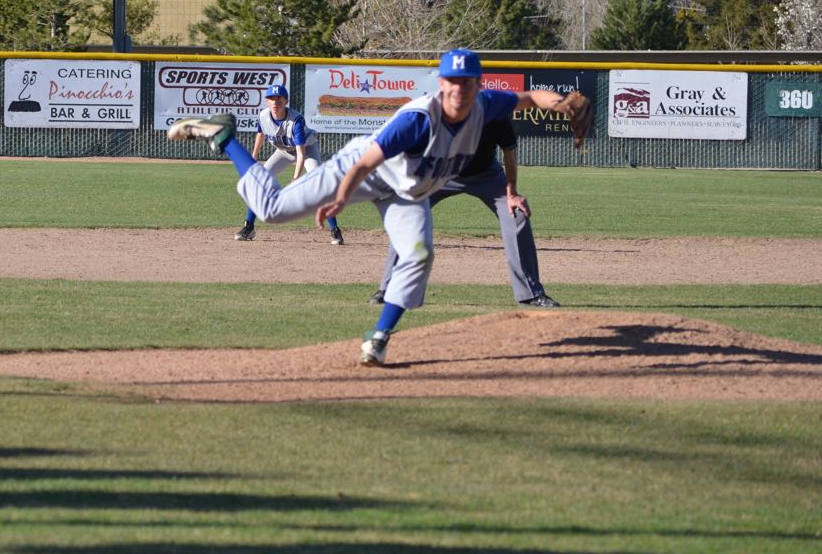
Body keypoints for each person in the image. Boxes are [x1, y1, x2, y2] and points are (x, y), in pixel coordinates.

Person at [167, 48, 588, 367]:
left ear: (478, 85)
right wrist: (340, 197)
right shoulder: (419, 119)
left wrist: (565, 101)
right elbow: (367, 161)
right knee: (273, 209)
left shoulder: (487, 105)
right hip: (363, 171)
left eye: (467, 82)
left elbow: (530, 96)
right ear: (441, 82)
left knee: (419, 254)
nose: (459, 89)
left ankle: (379, 339)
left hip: (408, 192)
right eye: (452, 81)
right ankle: (224, 136)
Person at [368, 117, 560, 308]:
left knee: (517, 216)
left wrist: (512, 193)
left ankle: (530, 294)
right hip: (438, 175)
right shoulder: (435, 112)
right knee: (407, 218)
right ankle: (389, 290)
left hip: (486, 175)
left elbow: (509, 151)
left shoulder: (494, 113)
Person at [235, 83, 344, 245]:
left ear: (286, 101)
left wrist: (296, 178)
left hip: (306, 150)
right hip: (284, 150)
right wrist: (254, 156)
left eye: (279, 99)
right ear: (266, 101)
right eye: (271, 99)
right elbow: (261, 134)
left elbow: (300, 153)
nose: (275, 102)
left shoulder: (295, 120)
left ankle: (335, 230)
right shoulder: (263, 116)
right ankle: (249, 227)